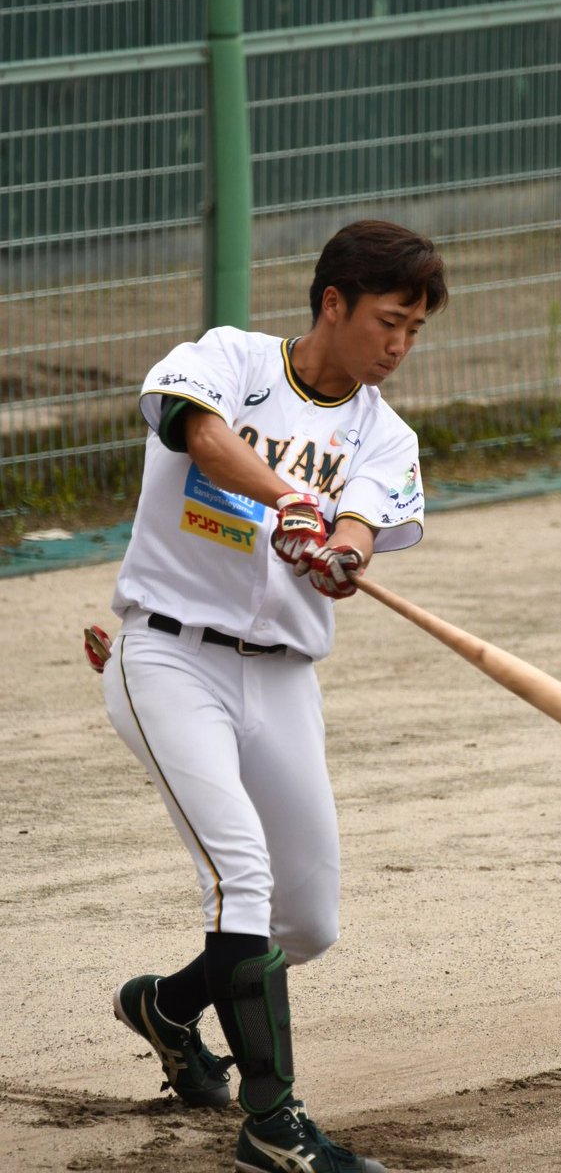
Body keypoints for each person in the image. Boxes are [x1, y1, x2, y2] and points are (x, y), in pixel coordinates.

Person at [99, 219, 448, 1173]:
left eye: (416, 329)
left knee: (307, 922)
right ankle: (273, 1124)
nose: (400, 345)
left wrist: (339, 556)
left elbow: (361, 529)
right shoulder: (233, 360)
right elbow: (194, 432)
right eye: (389, 320)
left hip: (283, 677)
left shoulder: (386, 433)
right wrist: (286, 500)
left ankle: (166, 1008)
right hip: (168, 659)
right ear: (332, 302)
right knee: (241, 877)